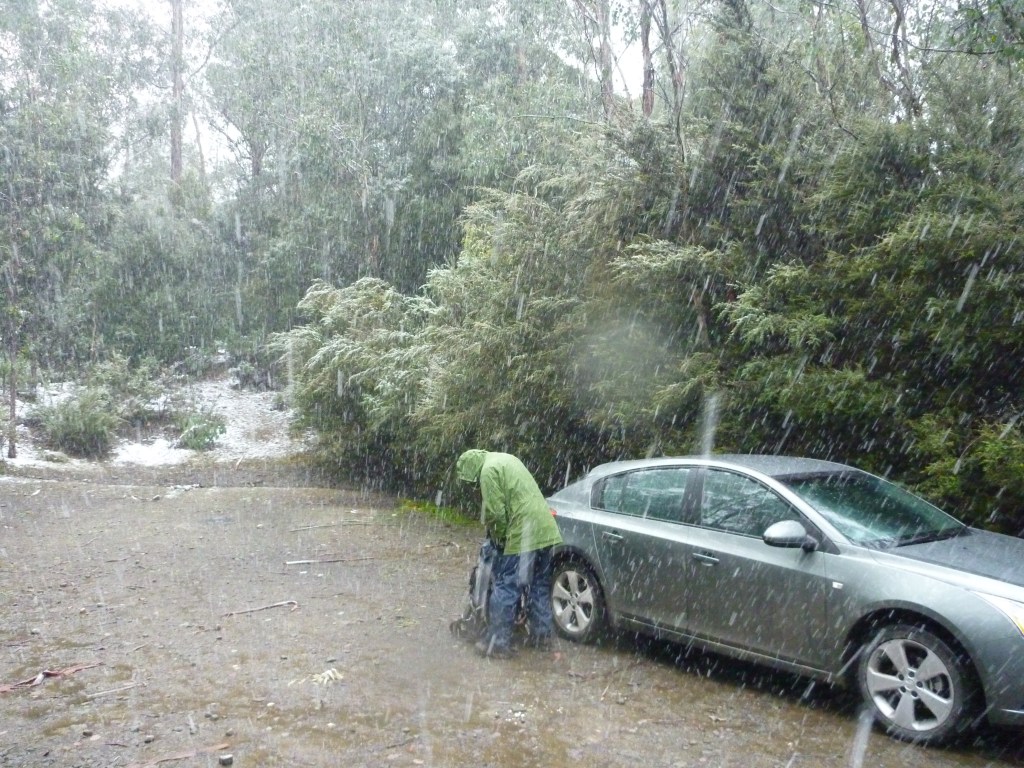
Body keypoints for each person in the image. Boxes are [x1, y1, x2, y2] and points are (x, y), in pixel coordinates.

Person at [456, 449, 563, 659]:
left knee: (507, 585)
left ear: (471, 470)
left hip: (523, 531)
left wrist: (500, 540)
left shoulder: (487, 471)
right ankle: (542, 638)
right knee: (538, 584)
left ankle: (497, 642)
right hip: (546, 528)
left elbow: (496, 513)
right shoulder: (506, 459)